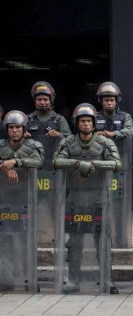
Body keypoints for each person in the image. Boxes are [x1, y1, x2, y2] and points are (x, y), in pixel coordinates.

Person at [52, 103, 121, 294]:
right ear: (77, 123)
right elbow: (56, 162)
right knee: (75, 244)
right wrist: (78, 164)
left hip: (99, 199)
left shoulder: (105, 143)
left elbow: (117, 163)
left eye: (89, 121)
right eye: (82, 121)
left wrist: (91, 165)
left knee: (103, 243)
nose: (85, 124)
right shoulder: (67, 142)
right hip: (75, 199)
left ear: (94, 123)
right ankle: (73, 280)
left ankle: (107, 280)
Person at [0, 110, 44, 292]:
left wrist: (15, 163)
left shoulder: (34, 145)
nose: (14, 131)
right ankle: (5, 279)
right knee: (5, 240)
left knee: (27, 241)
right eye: (11, 127)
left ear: (24, 129)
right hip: (4, 199)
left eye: (18, 127)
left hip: (26, 200)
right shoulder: (1, 145)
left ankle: (28, 279)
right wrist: (5, 166)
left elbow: (39, 161)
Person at [26, 81, 72, 245]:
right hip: (33, 170)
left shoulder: (59, 120)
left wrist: (58, 135)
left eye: (45, 99)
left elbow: (70, 140)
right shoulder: (27, 119)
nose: (43, 102)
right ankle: (33, 236)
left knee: (56, 204)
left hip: (54, 169)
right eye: (39, 99)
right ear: (34, 101)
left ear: (51, 100)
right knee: (32, 203)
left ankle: (57, 235)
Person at [94, 81, 133, 247]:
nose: (109, 103)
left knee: (118, 205)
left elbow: (130, 131)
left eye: (112, 100)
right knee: (98, 204)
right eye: (106, 100)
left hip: (120, 169)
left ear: (117, 100)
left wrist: (113, 134)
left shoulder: (125, 117)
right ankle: (100, 239)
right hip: (98, 168)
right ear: (101, 101)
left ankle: (119, 239)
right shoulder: (94, 116)